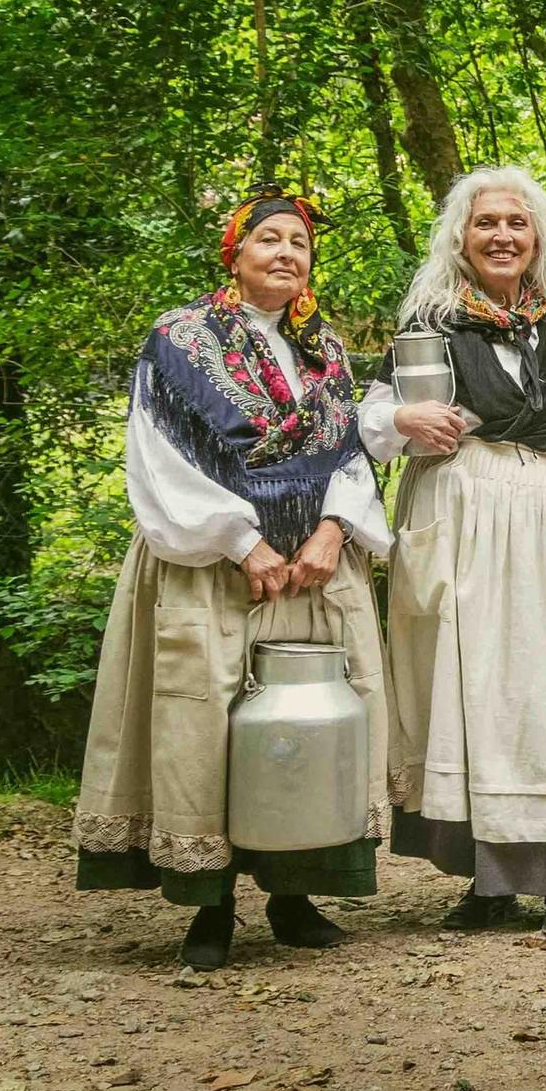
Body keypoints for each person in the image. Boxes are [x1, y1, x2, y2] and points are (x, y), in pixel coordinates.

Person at [74, 185, 391, 971]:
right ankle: (209, 907)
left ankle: (294, 895)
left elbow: (350, 453)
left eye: (300, 243)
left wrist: (332, 530)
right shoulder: (180, 340)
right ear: (235, 251)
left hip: (312, 569)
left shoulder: (325, 350)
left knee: (303, 729)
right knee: (205, 726)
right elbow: (158, 453)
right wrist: (243, 542)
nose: (286, 253)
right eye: (269, 238)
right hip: (212, 566)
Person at [363, 166, 546, 937]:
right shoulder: (431, 320)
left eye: (516, 222)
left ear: (537, 237)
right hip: (461, 501)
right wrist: (405, 420)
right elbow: (374, 413)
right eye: (486, 222)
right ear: (461, 237)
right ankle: (488, 882)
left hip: (544, 502)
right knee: (469, 691)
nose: (502, 235)